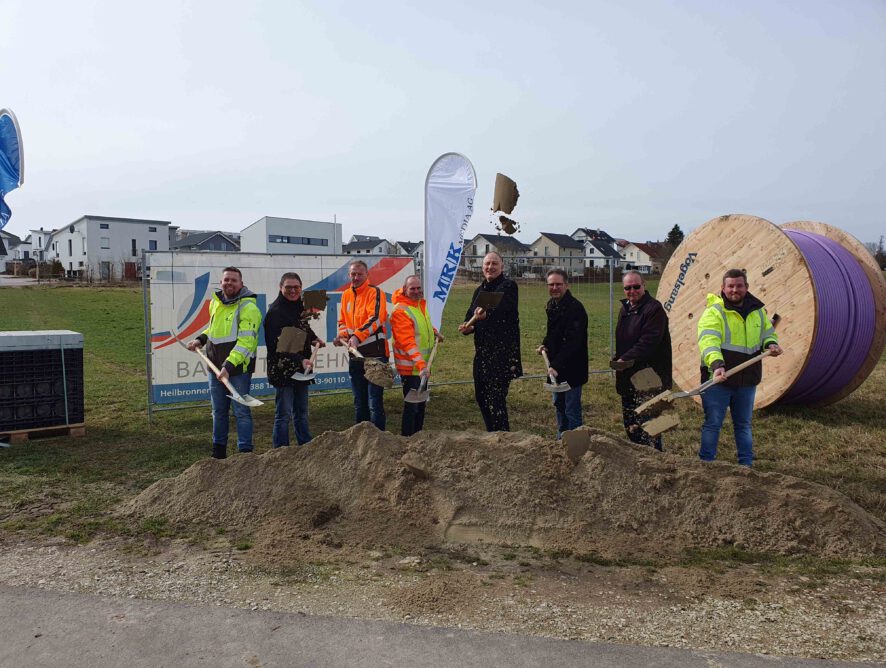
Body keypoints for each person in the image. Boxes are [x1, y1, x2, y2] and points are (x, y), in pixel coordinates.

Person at [698, 268, 783, 467]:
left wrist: (770, 343)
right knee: (713, 424)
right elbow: (708, 341)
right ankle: (705, 465)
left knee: (743, 425)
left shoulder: (758, 312)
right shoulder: (714, 312)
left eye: (739, 286)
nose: (735, 290)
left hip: (747, 379)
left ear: (746, 287)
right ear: (723, 288)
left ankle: (746, 466)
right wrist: (717, 364)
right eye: (730, 286)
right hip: (719, 379)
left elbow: (767, 333)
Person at [187, 267, 261, 459]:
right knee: (218, 411)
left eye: (233, 280)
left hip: (237, 371)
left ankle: (245, 453)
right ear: (221, 283)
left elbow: (247, 342)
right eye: (226, 280)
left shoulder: (249, 308)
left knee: (241, 412)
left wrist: (228, 367)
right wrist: (200, 340)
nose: (229, 283)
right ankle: (218, 452)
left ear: (241, 284)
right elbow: (213, 328)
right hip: (215, 367)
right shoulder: (216, 303)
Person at [458, 251, 522, 431]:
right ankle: (492, 432)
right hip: (482, 352)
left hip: (502, 352)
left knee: (496, 398)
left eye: (494, 264)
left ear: (502, 266)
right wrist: (467, 327)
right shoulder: (480, 290)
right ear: (482, 267)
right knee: (481, 395)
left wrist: (487, 315)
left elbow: (505, 310)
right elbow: (471, 316)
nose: (490, 267)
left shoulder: (508, 286)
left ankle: (502, 436)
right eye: (487, 264)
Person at [614, 270, 673, 451]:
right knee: (632, 426)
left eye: (636, 286)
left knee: (652, 428)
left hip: (650, 379)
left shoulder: (654, 309)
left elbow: (649, 341)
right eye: (628, 288)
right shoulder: (625, 309)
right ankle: (640, 461)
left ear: (644, 285)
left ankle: (656, 464)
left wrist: (625, 358)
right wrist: (619, 359)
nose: (632, 291)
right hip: (629, 378)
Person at [264, 272, 324, 447]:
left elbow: (304, 327)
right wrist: (300, 360)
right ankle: (281, 451)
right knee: (283, 414)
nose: (292, 291)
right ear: (280, 287)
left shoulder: (300, 306)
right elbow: (277, 346)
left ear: (301, 288)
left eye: (296, 287)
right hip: (283, 369)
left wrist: (314, 339)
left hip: (301, 369)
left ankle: (305, 445)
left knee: (302, 411)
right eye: (288, 287)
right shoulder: (275, 313)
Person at [333, 260, 389, 430]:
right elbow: (343, 321)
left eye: (359, 274)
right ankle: (360, 439)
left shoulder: (375, 292)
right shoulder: (346, 295)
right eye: (353, 274)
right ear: (349, 275)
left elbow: (376, 318)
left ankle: (378, 440)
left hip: (375, 354)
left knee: (374, 402)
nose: (356, 277)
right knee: (359, 401)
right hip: (355, 356)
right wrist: (342, 335)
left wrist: (357, 336)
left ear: (367, 275)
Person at [536, 269, 588, 438]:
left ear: (567, 285)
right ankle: (561, 441)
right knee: (558, 405)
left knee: (571, 409)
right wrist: (545, 344)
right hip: (556, 368)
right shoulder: (552, 305)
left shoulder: (575, 309)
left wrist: (556, 365)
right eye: (551, 284)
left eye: (558, 284)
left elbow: (574, 342)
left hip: (572, 367)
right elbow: (554, 334)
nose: (555, 288)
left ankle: (576, 445)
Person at [390, 275, 444, 436]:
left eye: (418, 288)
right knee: (412, 408)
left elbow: (421, 326)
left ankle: (418, 438)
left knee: (420, 406)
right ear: (405, 290)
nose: (416, 291)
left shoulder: (419, 305)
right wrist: (421, 366)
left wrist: (434, 332)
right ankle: (407, 439)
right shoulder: (400, 311)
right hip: (411, 369)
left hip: (422, 367)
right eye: (412, 288)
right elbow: (407, 342)